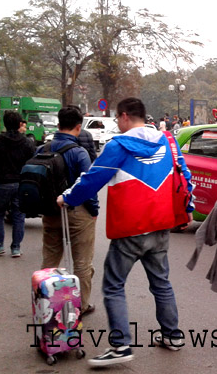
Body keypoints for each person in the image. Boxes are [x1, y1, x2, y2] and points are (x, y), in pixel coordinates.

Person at [57, 98, 194, 367]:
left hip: (130, 228)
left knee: (113, 285)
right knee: (161, 283)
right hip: (161, 223)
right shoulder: (168, 140)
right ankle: (172, 335)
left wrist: (68, 198)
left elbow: (93, 178)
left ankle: (120, 345)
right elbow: (184, 174)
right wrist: (187, 207)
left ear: (123, 117)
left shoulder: (118, 145)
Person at [40, 106, 99, 315]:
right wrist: (94, 210)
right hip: (76, 212)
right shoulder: (78, 152)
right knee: (82, 262)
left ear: (58, 124)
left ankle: (45, 302)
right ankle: (81, 306)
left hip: (50, 211)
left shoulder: (43, 149)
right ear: (78, 126)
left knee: (50, 260)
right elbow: (88, 184)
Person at [0, 111, 36, 257]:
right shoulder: (27, 143)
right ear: (20, 124)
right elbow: (33, 162)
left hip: (0, 183)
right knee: (19, 216)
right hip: (21, 183)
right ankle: (16, 247)